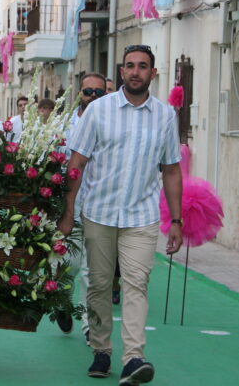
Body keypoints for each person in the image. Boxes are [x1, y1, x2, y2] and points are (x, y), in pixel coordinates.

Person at [59, 45, 183, 385]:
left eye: (143, 66)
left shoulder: (165, 116)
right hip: (98, 212)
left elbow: (171, 170)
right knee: (98, 285)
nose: (136, 72)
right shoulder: (98, 111)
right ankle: (101, 348)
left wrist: (176, 220)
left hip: (141, 217)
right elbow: (76, 164)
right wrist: (69, 212)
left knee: (136, 285)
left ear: (153, 74)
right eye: (130, 66)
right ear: (122, 70)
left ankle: (133, 358)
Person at [58, 72, 107, 337]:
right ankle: (64, 300)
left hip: (99, 208)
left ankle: (90, 327)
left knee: (93, 272)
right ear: (80, 93)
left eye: (99, 93)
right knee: (69, 265)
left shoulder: (111, 123)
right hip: (70, 208)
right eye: (89, 92)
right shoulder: (62, 124)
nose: (93, 98)